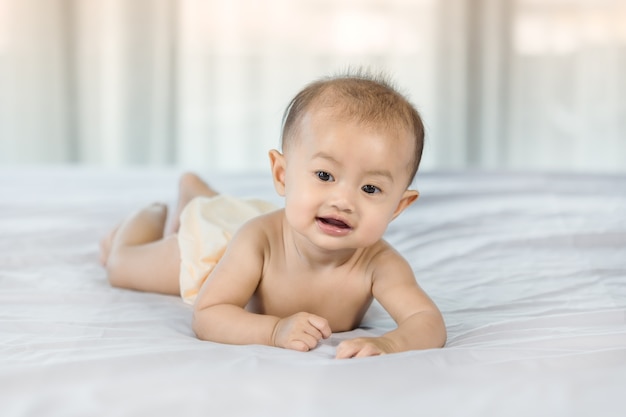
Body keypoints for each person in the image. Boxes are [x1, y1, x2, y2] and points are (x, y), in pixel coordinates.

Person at [100, 71, 447, 358]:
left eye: (370, 189)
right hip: (216, 247)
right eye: (325, 176)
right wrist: (274, 330)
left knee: (223, 210)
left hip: (273, 219)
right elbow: (208, 315)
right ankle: (150, 215)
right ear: (283, 175)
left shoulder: (380, 264)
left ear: (399, 206)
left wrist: (390, 343)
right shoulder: (257, 241)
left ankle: (196, 192)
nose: (343, 201)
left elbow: (426, 320)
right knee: (121, 267)